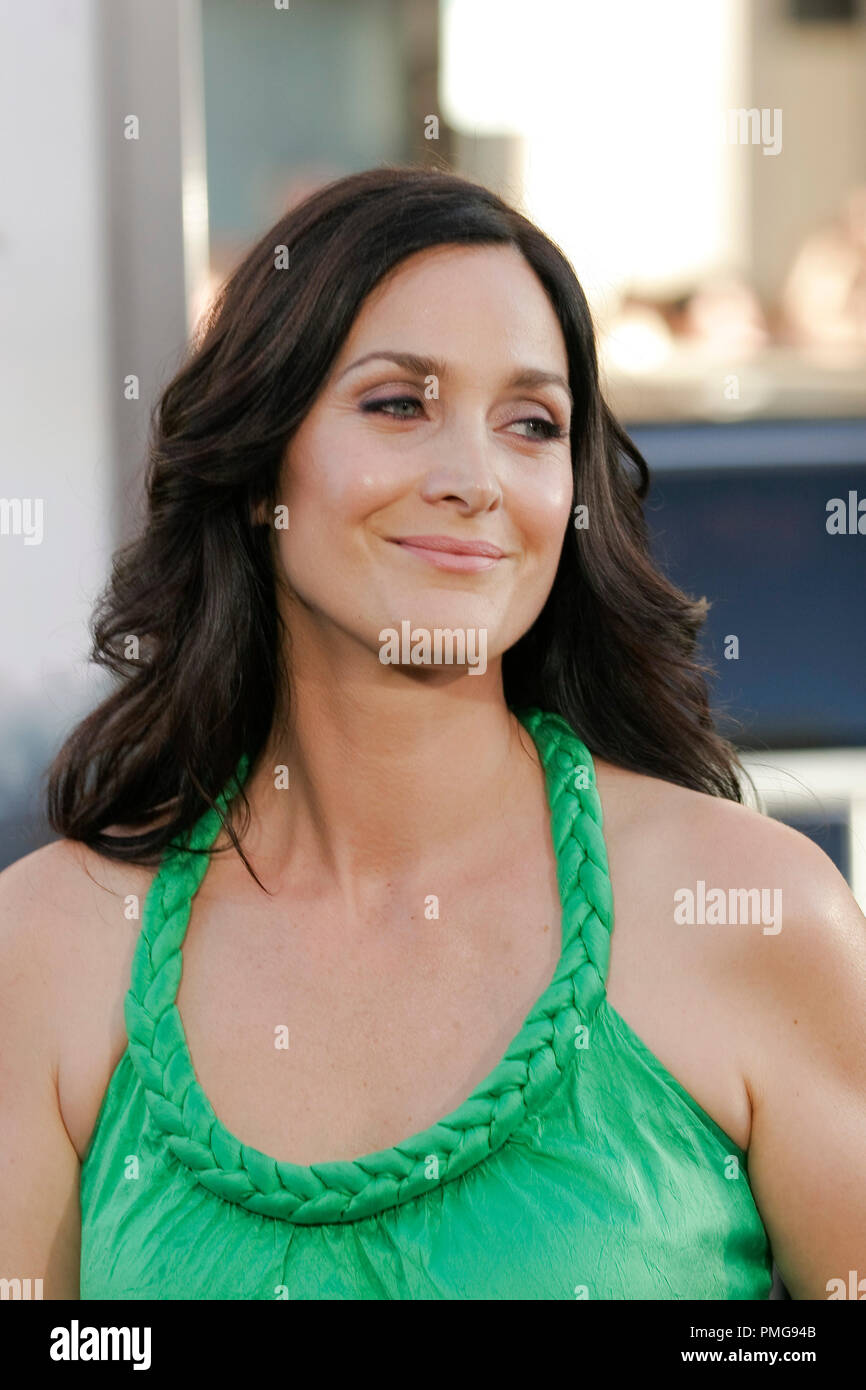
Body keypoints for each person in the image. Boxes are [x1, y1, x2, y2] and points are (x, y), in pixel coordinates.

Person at [1, 166, 863, 1301]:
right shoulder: (50, 947)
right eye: (399, 404)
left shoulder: (755, 912)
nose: (473, 479)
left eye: (530, 423)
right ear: (260, 457)